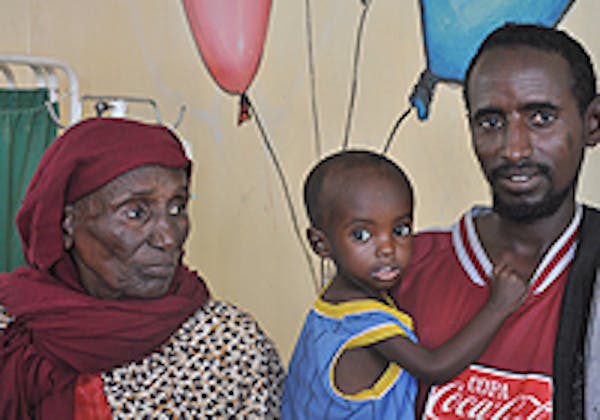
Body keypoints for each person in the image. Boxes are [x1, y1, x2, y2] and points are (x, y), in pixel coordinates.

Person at [0, 117, 284, 419]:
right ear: (67, 223)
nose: (168, 237)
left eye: (177, 208)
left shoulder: (228, 345)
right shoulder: (13, 332)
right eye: (136, 213)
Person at [394, 24, 600, 419]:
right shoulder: (402, 268)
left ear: (592, 123)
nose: (514, 149)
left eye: (540, 118)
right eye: (490, 121)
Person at [282, 150, 527, 419]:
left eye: (400, 230)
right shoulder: (364, 321)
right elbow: (434, 368)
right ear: (321, 244)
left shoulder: (332, 305)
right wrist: (498, 306)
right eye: (362, 235)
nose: (387, 248)